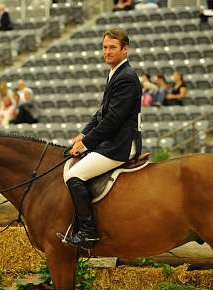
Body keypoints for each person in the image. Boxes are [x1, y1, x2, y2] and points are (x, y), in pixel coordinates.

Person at [60, 27, 142, 250]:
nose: (107, 51)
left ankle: (88, 233)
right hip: (111, 140)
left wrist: (85, 144)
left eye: (112, 47)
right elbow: (102, 112)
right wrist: (84, 133)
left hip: (121, 145)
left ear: (125, 49)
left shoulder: (126, 78)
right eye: (105, 47)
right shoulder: (115, 72)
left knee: (74, 176)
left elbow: (112, 120)